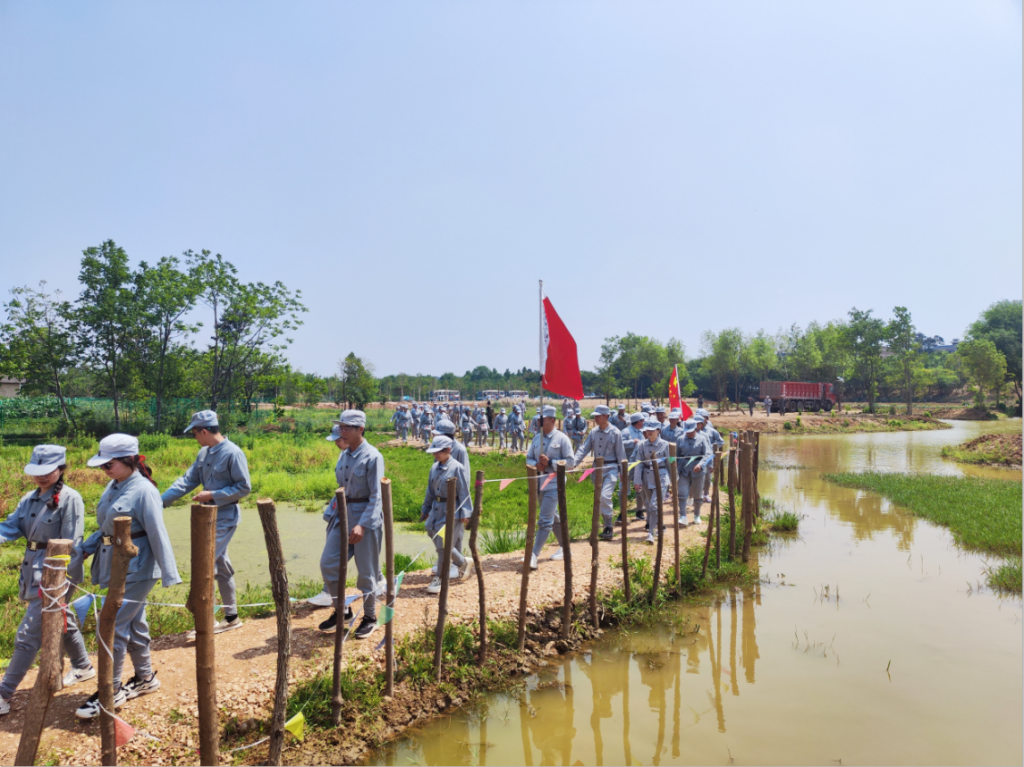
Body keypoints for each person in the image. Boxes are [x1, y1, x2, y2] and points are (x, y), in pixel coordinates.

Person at [72, 434, 181, 719]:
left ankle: (111, 689)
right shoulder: (114, 485)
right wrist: (88, 547)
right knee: (134, 622)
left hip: (138, 568)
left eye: (109, 464)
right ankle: (145, 678)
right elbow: (107, 528)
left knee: (112, 624)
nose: (104, 469)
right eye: (102, 465)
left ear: (129, 460)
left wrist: (169, 574)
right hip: (115, 564)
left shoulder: (144, 490)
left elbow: (157, 532)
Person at [0, 446, 93, 716]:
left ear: (61, 469)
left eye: (48, 471)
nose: (41, 476)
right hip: (32, 568)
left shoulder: (70, 498)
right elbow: (11, 527)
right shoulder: (29, 499)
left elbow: (72, 543)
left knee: (28, 634)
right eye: (37, 471)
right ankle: (83, 666)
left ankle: (4, 693)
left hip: (55, 573)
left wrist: (60, 583)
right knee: (62, 620)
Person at [161, 410, 251, 634]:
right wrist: (159, 501)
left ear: (204, 431)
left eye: (194, 433)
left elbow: (244, 487)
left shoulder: (233, 453)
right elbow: (187, 481)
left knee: (205, 564)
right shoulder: (204, 454)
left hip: (224, 518)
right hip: (206, 519)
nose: (194, 438)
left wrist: (212, 494)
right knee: (220, 566)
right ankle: (232, 617)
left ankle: (206, 621)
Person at [318, 410, 385, 639]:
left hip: (365, 517)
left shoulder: (373, 456)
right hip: (343, 516)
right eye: (341, 427)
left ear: (360, 429)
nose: (342, 431)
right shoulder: (344, 455)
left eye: (347, 428)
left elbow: (377, 496)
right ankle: (342, 611)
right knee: (328, 564)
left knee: (367, 571)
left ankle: (370, 617)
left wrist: (363, 524)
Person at [421, 435, 473, 593]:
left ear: (448, 450)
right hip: (436, 508)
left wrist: (465, 512)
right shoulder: (434, 468)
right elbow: (430, 491)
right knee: (430, 529)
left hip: (452, 510)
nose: (435, 454)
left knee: (443, 544)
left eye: (439, 451)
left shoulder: (457, 468)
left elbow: (464, 492)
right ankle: (462, 561)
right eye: (434, 451)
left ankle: (440, 578)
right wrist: (426, 508)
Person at [525, 405, 575, 569]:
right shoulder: (536, 438)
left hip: (554, 484)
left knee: (545, 520)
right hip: (538, 483)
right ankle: (565, 548)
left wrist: (551, 463)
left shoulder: (562, 439)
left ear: (552, 420)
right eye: (539, 418)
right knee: (554, 517)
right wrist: (536, 464)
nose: (539, 421)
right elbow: (528, 458)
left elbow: (570, 462)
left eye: (543, 419)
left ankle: (533, 555)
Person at [307, 425, 347, 609]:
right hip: (341, 505)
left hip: (353, 510)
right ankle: (329, 591)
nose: (337, 443)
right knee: (336, 550)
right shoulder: (344, 455)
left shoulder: (365, 456)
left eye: (338, 439)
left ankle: (329, 593)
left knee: (358, 554)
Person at [573, 405, 627, 541]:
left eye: (598, 416)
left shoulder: (615, 432)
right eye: (595, 416)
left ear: (606, 416)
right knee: (599, 499)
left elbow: (621, 454)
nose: (595, 418)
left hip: (611, 469)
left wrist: (623, 473)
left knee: (605, 496)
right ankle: (604, 526)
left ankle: (609, 527)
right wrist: (573, 463)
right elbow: (583, 449)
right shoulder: (593, 432)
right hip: (597, 470)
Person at [631, 421, 671, 544]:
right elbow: (638, 463)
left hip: (661, 477)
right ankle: (660, 524)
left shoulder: (665, 445)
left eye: (652, 430)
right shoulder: (641, 445)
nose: (649, 432)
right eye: (647, 429)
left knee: (654, 505)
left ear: (658, 430)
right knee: (650, 505)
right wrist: (637, 480)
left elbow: (670, 463)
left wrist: (674, 480)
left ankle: (651, 533)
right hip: (646, 478)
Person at [675, 420, 712, 527]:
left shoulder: (702, 439)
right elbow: (677, 455)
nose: (689, 433)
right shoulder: (680, 439)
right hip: (683, 470)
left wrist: (700, 465)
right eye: (687, 431)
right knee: (682, 493)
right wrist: (676, 465)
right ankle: (683, 516)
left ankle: (697, 515)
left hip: (698, 471)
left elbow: (707, 454)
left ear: (695, 429)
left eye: (691, 431)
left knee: (697, 494)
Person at [618, 412, 647, 523]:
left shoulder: (642, 432)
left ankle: (639, 511)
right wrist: (632, 442)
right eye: (642, 421)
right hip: (627, 464)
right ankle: (622, 513)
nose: (643, 422)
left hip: (638, 464)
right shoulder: (625, 431)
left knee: (640, 488)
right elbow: (619, 444)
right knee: (623, 489)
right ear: (638, 421)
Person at [696, 409, 725, 502]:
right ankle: (697, 495)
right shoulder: (693, 431)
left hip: (708, 457)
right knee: (696, 477)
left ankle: (706, 494)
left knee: (708, 477)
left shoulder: (711, 431)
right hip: (696, 457)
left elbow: (721, 441)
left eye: (703, 418)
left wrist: (712, 446)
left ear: (707, 419)